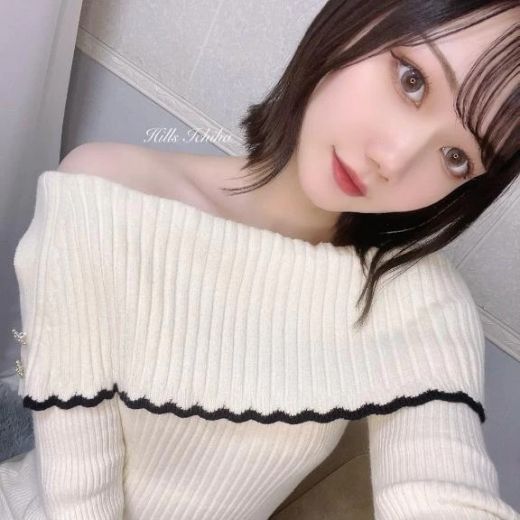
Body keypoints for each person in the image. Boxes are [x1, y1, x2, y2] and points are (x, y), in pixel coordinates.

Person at [1, 1, 519, 518]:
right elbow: (76, 496)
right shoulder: (103, 195)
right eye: (412, 80)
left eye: (456, 157)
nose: (393, 158)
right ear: (359, 18)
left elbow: (444, 495)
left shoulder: (418, 301)